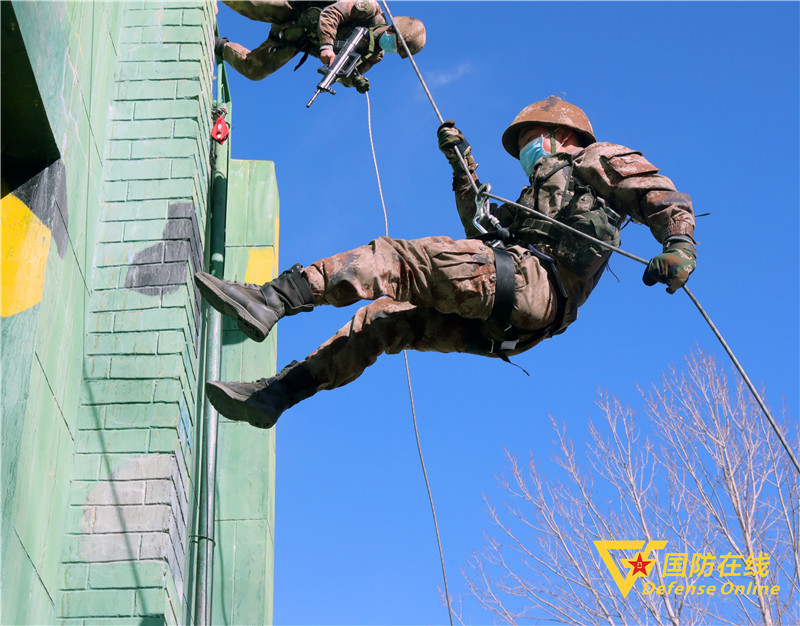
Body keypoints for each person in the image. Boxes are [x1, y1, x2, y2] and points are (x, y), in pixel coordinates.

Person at [194, 96, 697, 428]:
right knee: (380, 321)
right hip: (512, 322)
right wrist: (463, 169)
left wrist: (679, 246)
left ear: (562, 135)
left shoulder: (594, 159)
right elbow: (479, 232)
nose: (525, 151)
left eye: (530, 141)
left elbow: (661, 195)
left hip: (531, 285)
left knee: (396, 259)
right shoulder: (534, 196)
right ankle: (279, 395)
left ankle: (272, 299)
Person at [215, 0, 426, 93]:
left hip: (297, 39)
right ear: (392, 29)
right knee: (249, 3)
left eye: (396, 50)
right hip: (296, 10)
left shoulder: (373, 56)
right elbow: (331, 14)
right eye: (395, 44)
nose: (391, 49)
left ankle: (219, 46)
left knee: (255, 70)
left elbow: (347, 75)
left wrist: (354, 80)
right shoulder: (368, 10)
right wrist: (327, 47)